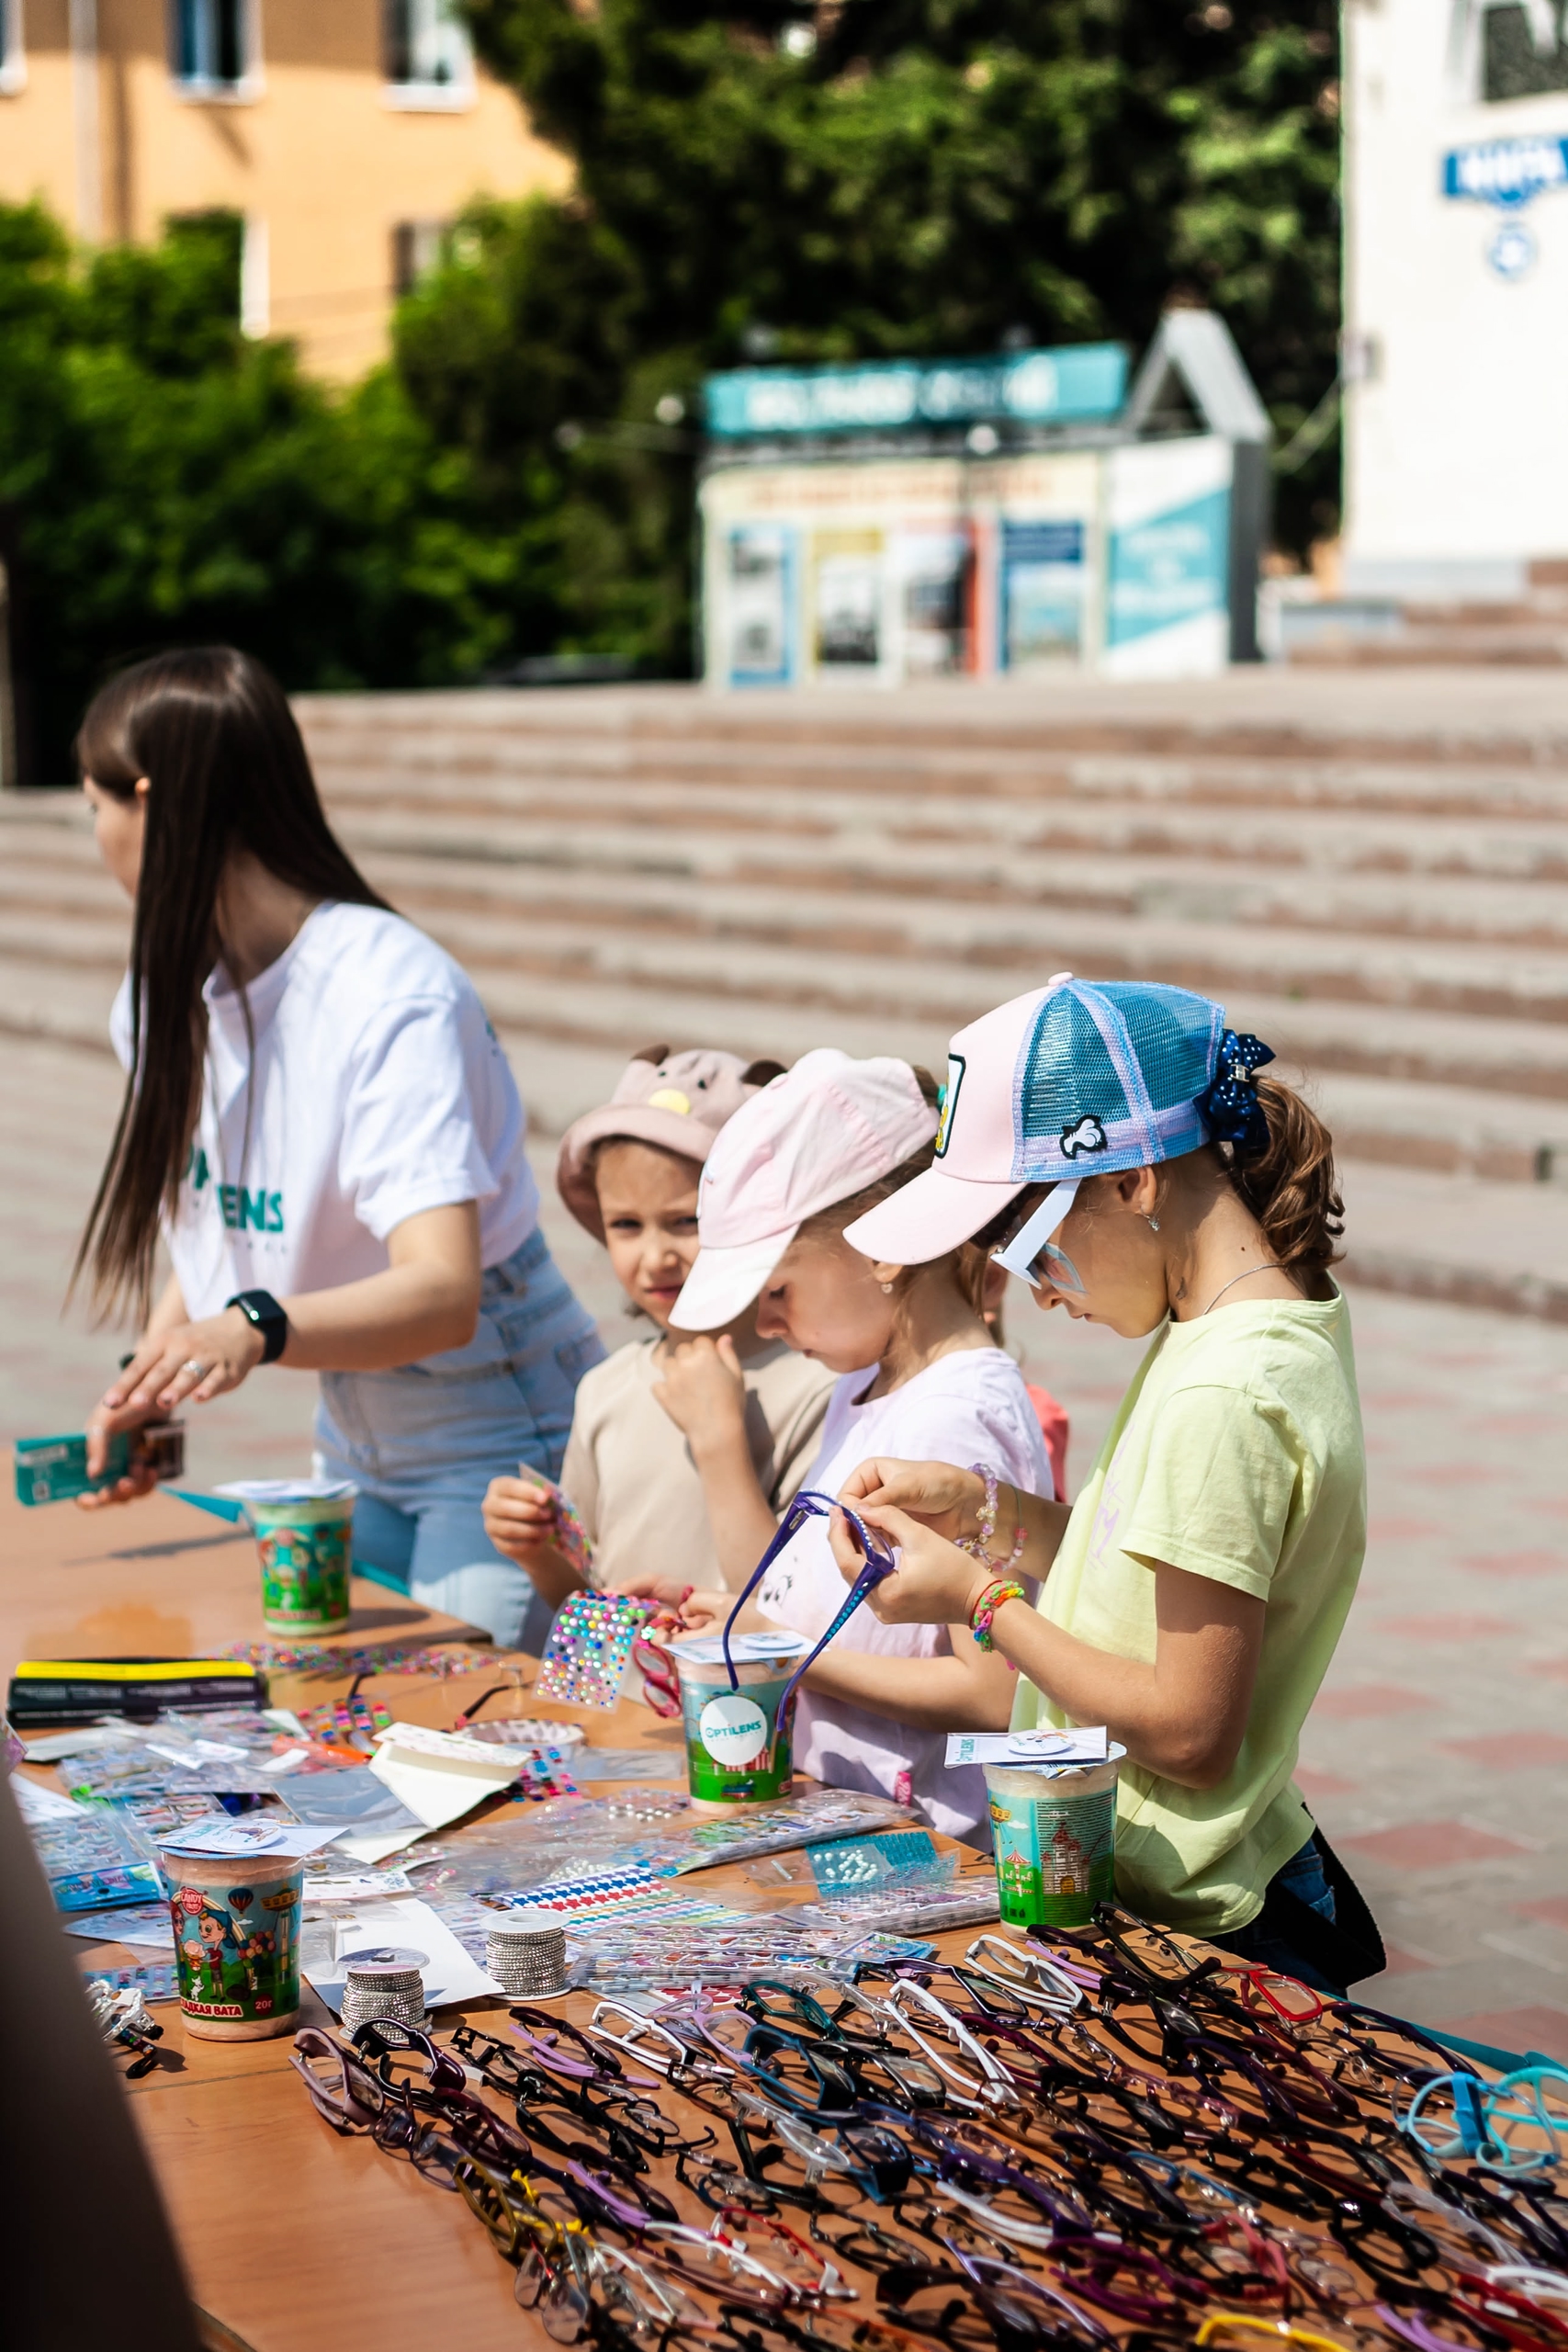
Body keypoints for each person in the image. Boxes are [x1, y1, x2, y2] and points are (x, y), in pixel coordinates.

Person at [825, 975, 1379, 1993]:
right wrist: (985, 1512)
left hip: (1204, 1923)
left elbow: (1190, 1732)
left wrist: (980, 1601)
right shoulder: (1238, 1321)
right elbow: (1155, 1555)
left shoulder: (1224, 1390)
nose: (1036, 1291)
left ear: (1132, 1183)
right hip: (1171, 1876)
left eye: (1031, 1246)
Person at [72, 647, 604, 1654]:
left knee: (471, 1712)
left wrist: (250, 1328)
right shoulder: (158, 1000)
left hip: (495, 1428)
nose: (93, 836)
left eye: (92, 806)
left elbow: (443, 1294)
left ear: (150, 802)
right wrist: (152, 1381)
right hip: (350, 1422)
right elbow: (212, 1217)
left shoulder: (387, 990)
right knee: (338, 1699)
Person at [662, 1048, 1055, 1845]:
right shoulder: (862, 1386)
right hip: (849, 1822)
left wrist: (781, 1654)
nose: (764, 1324)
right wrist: (736, 1624)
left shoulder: (952, 1420)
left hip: (923, 1847)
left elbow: (992, 1693)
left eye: (777, 1290)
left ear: (884, 1247)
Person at [480, 1047, 835, 1606]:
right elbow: (586, 1602)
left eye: (685, 1221)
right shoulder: (605, 1387)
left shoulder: (818, 1391)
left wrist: (720, 1442)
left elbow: (794, 1609)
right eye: (626, 1224)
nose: (655, 1258)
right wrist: (536, 1549)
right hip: (613, 1671)